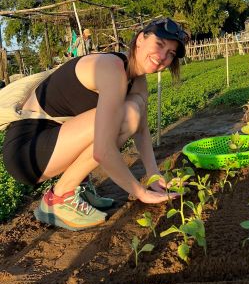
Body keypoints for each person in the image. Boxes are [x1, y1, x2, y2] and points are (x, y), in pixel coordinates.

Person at [2, 17, 188, 231]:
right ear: (140, 39)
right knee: (126, 114)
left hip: (54, 141)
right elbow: (103, 150)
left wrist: (154, 177)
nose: (163, 57)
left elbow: (142, 131)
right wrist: (140, 192)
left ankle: (78, 184)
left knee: (134, 110)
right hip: (27, 151)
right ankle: (60, 197)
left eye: (171, 53)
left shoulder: (136, 79)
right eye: (159, 44)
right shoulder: (110, 67)